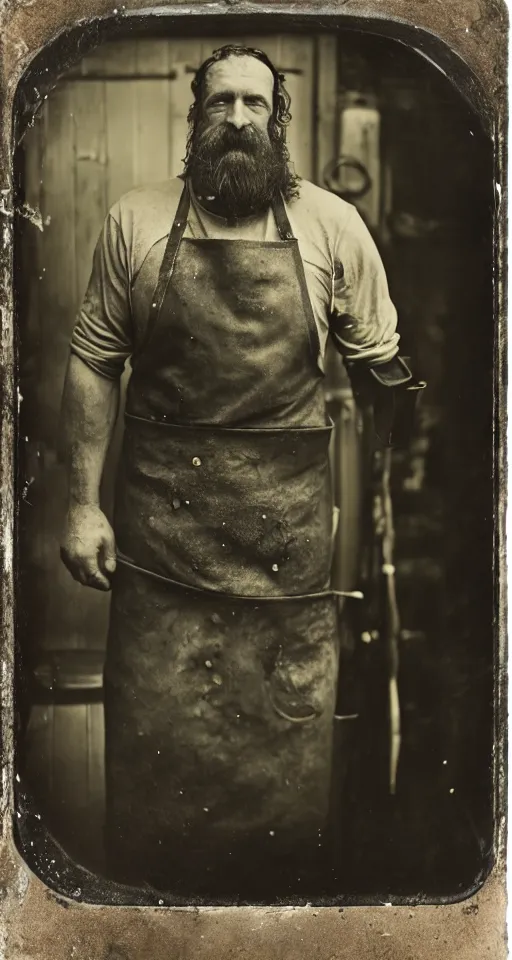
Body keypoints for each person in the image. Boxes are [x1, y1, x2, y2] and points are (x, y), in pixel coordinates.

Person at [60, 44, 421, 900]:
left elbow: (383, 371)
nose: (236, 119)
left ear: (278, 121)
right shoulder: (136, 222)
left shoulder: (334, 227)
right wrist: (79, 505)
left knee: (285, 790)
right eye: (220, 103)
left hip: (283, 557)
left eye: (255, 104)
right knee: (157, 778)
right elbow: (91, 363)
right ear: (196, 120)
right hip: (161, 553)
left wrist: (382, 496)